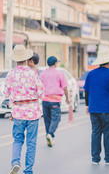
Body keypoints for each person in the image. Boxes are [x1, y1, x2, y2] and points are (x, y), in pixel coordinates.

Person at [4, 45, 45, 174]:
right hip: (33, 112)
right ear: (26, 59)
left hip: (18, 113)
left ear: (16, 59)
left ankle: (15, 162)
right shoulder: (32, 73)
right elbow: (42, 93)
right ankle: (28, 171)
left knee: (17, 140)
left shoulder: (11, 74)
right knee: (31, 143)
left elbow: (5, 93)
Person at [40, 56, 70, 147]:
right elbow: (65, 88)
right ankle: (50, 134)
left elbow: (39, 87)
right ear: (55, 63)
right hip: (55, 100)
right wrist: (67, 98)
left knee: (47, 120)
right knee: (56, 118)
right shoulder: (59, 73)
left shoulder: (42, 74)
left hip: (45, 100)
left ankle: (49, 138)